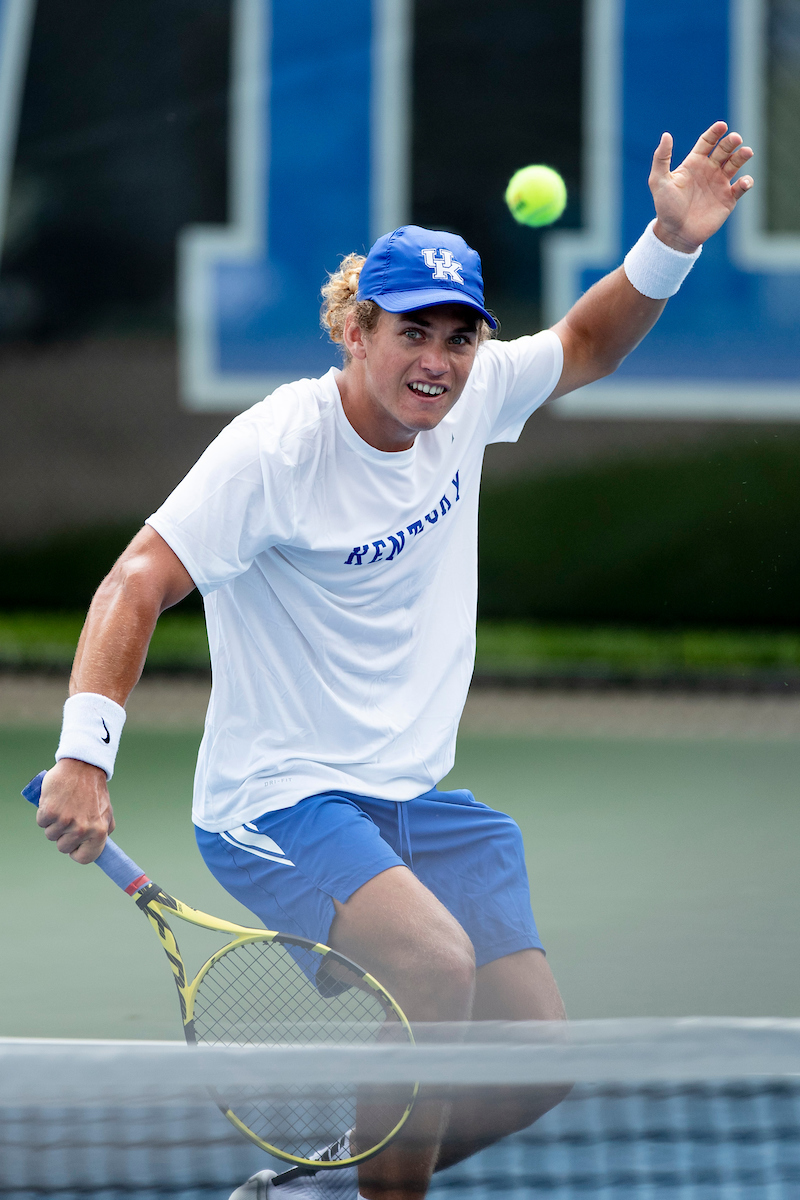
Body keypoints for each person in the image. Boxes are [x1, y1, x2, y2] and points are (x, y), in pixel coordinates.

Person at [36, 122, 753, 1200]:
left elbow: (590, 341)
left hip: (410, 796)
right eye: (413, 334)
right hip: (278, 801)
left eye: (459, 339)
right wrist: (86, 756)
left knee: (534, 1065)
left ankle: (319, 1186)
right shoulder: (275, 448)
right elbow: (136, 579)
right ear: (355, 329)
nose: (437, 363)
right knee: (428, 965)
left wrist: (669, 241)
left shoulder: (466, 404)